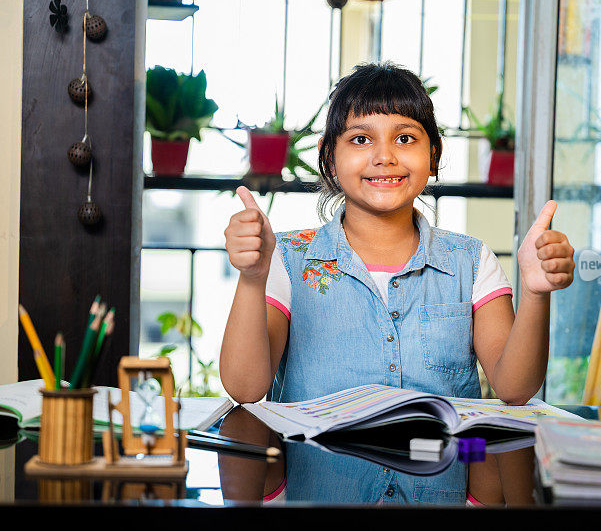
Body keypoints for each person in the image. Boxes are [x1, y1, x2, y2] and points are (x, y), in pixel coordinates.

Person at [219, 62, 574, 504]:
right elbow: (245, 389)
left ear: (434, 155)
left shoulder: (470, 259)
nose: (384, 156)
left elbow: (516, 390)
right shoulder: (287, 258)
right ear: (330, 157)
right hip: (319, 490)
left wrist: (536, 293)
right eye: (360, 139)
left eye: (405, 138)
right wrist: (252, 278)